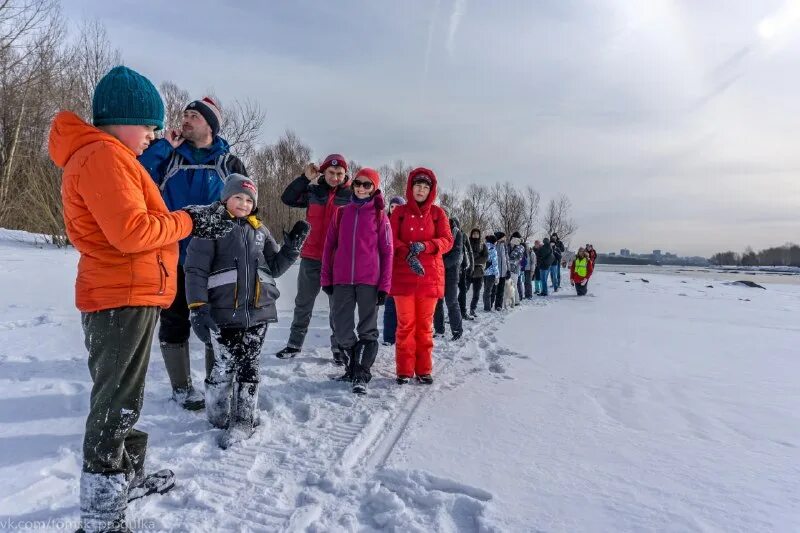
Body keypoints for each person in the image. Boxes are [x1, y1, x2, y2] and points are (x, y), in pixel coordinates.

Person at [50, 65, 235, 531]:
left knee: (124, 397)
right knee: (115, 401)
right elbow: (132, 231)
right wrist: (188, 220)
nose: (153, 135)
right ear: (123, 118)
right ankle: (102, 513)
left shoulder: (109, 156)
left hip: (126, 290)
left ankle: (126, 475)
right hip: (119, 294)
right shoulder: (103, 158)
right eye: (149, 126)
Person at [139, 96, 248, 411]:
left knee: (217, 323)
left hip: (217, 260)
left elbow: (248, 205)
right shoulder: (170, 157)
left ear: (210, 126)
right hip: (174, 255)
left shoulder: (229, 163)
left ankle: (217, 384)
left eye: (193, 116)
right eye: (184, 114)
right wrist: (163, 148)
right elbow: (138, 176)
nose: (185, 120)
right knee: (174, 321)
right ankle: (181, 387)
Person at [184, 176, 307, 448]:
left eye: (249, 200)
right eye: (238, 197)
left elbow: (274, 267)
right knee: (224, 364)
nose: (243, 203)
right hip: (222, 313)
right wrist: (197, 307)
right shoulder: (211, 227)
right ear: (225, 198)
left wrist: (292, 248)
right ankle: (217, 414)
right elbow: (195, 270)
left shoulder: (259, 229)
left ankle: (243, 420)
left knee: (249, 366)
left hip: (258, 313)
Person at [321, 168, 393, 394]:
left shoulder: (381, 216)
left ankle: (361, 372)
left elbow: (388, 251)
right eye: (358, 184)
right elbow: (328, 247)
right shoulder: (341, 213)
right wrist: (326, 277)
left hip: (368, 281)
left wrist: (385, 285)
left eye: (367, 185)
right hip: (342, 279)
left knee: (367, 329)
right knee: (341, 327)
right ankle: (351, 368)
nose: (361, 188)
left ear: (374, 188)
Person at [276, 154, 351, 364]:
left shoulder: (351, 195)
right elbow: (287, 198)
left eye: (339, 174)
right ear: (323, 172)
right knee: (303, 303)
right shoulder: (312, 192)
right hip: (311, 257)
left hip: (338, 261)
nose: (335, 177)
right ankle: (294, 344)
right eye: (331, 173)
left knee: (338, 307)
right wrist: (304, 178)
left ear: (345, 175)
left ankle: (339, 349)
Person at [390, 168, 453, 384]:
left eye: (426, 187)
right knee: (406, 325)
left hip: (429, 277)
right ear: (411, 187)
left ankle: (424, 369)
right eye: (418, 185)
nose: (421, 190)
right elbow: (391, 239)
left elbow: (447, 240)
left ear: (431, 191)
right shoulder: (399, 212)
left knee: (425, 327)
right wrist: (408, 253)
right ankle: (404, 371)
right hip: (403, 276)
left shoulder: (438, 214)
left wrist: (425, 246)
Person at [434, 217, 464, 340]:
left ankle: (457, 330)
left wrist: (441, 264)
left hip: (451, 273)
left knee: (451, 301)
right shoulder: (436, 230)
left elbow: (457, 254)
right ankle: (439, 329)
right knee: (437, 302)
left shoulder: (456, 232)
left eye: (445, 215)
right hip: (437, 273)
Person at [382, 196, 406, 345]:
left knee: (403, 308)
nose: (394, 209)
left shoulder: (408, 225)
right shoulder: (384, 223)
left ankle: (403, 336)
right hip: (388, 270)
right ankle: (389, 337)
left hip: (403, 270)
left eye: (398, 206)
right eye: (392, 206)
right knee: (389, 306)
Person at [468, 228, 488, 316]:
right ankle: (461, 309)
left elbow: (485, 258)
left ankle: (473, 309)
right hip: (468, 271)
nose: (475, 235)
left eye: (477, 233)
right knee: (463, 291)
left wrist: (473, 261)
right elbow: (466, 256)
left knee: (476, 293)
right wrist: (471, 260)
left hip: (479, 272)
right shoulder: (467, 243)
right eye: (474, 233)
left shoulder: (482, 245)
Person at [457, 220, 475, 321]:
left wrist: (471, 266)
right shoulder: (445, 232)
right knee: (450, 293)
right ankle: (453, 314)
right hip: (449, 268)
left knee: (463, 290)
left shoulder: (463, 235)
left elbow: (470, 251)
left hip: (462, 268)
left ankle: (463, 312)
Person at [494, 232, 510, 310]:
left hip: (503, 271)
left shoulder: (505, 246)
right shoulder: (494, 245)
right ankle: (490, 304)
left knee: (501, 290)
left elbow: (507, 258)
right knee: (494, 289)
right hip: (495, 272)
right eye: (503, 237)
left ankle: (498, 305)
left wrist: (508, 270)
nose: (505, 238)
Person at [508, 231, 525, 306]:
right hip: (508, 269)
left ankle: (516, 301)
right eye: (513, 238)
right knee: (510, 286)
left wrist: (513, 246)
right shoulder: (509, 246)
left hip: (515, 269)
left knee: (514, 286)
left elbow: (514, 256)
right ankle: (512, 301)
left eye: (516, 239)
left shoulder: (521, 247)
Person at [483, 235, 499, 311]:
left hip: (484, 272)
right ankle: (487, 308)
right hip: (491, 273)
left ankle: (485, 305)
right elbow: (495, 264)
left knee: (485, 290)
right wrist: (497, 275)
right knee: (489, 291)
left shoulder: (483, 248)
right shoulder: (493, 250)